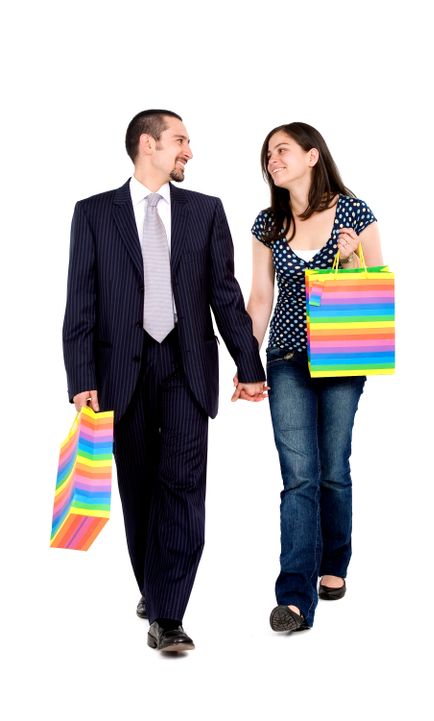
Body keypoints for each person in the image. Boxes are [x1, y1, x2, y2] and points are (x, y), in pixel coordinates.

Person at [62, 109, 266, 653]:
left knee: (181, 486)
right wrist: (80, 377)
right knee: (138, 488)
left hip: (186, 367)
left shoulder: (205, 211)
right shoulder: (93, 214)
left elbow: (224, 295)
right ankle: (152, 589)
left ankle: (168, 616)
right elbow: (80, 303)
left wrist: (250, 366)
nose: (189, 152)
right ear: (147, 145)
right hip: (117, 372)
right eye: (180, 141)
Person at [245, 122, 383, 633]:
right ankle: (296, 598)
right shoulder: (268, 224)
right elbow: (260, 300)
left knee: (332, 468)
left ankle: (335, 563)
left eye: (281, 150)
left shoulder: (354, 211)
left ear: (311, 154)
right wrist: (246, 361)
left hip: (344, 355)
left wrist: (352, 259)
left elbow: (376, 289)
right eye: (267, 155)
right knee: (299, 475)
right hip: (285, 356)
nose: (272, 160)